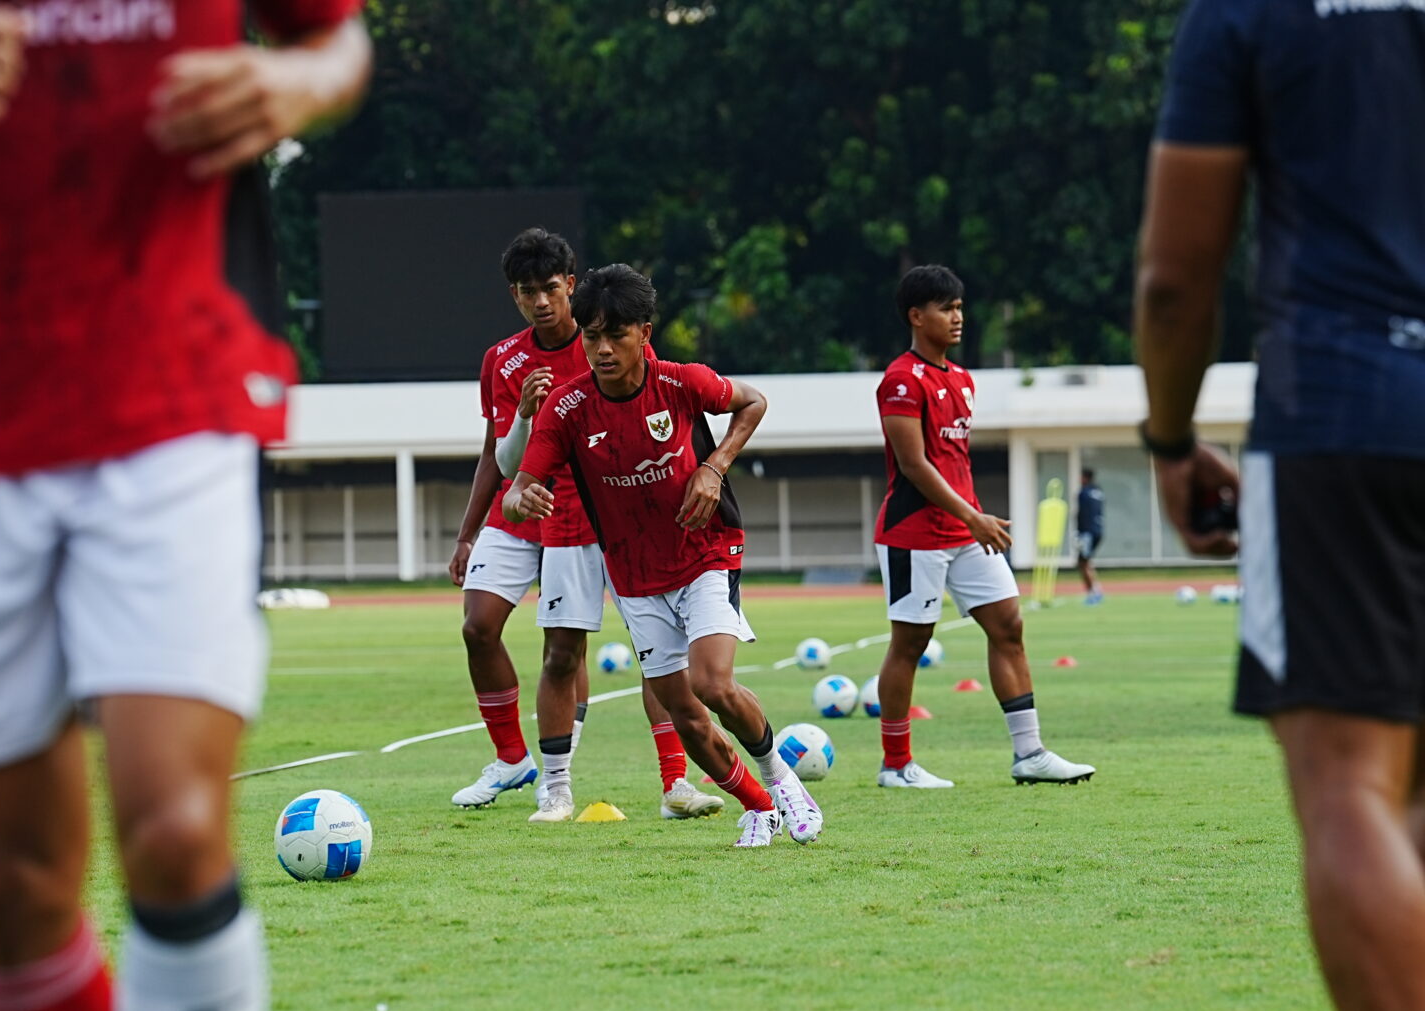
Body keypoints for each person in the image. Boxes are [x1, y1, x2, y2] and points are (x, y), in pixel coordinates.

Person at [0, 5, 370, 1011]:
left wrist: (299, 86)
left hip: (171, 384)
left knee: (177, 825)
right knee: (17, 879)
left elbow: (338, 41)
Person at [1137, 4, 1425, 1011]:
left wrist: (1169, 441)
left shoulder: (1249, 12)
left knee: (1353, 782)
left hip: (1344, 414)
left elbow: (1176, 273)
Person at [501, 263, 823, 848]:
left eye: (615, 336)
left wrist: (713, 466)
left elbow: (753, 402)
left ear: (644, 334)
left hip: (706, 552)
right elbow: (520, 486)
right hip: (634, 575)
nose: (601, 349)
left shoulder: (681, 382)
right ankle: (757, 807)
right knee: (683, 710)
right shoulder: (569, 409)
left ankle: (783, 783)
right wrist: (527, 499)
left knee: (712, 684)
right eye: (593, 336)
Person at [449, 229, 724, 822]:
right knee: (540, 646)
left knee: (661, 657)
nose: (541, 302)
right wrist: (468, 530)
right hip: (550, 514)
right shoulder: (505, 360)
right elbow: (500, 457)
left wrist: (706, 472)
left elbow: (669, 415)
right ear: (514, 296)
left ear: (570, 286)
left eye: (550, 289)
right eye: (528, 292)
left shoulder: (614, 338)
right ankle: (545, 780)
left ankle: (676, 782)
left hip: (624, 517)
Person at [872, 265, 1094, 789]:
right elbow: (914, 465)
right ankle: (896, 765)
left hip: (967, 531)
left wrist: (973, 517)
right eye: (946, 308)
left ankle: (1030, 754)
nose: (958, 317)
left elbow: (954, 461)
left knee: (1009, 627)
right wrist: (973, 515)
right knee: (911, 644)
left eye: (960, 307)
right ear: (916, 315)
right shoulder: (901, 380)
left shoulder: (963, 380)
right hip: (913, 534)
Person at [1076, 468, 1104, 604]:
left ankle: (1093, 592)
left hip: (1087, 532)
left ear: (1085, 478)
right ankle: (1096, 589)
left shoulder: (1083, 493)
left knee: (1083, 562)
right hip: (1098, 530)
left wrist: (1079, 532)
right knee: (1087, 561)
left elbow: (1082, 514)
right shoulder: (1098, 492)